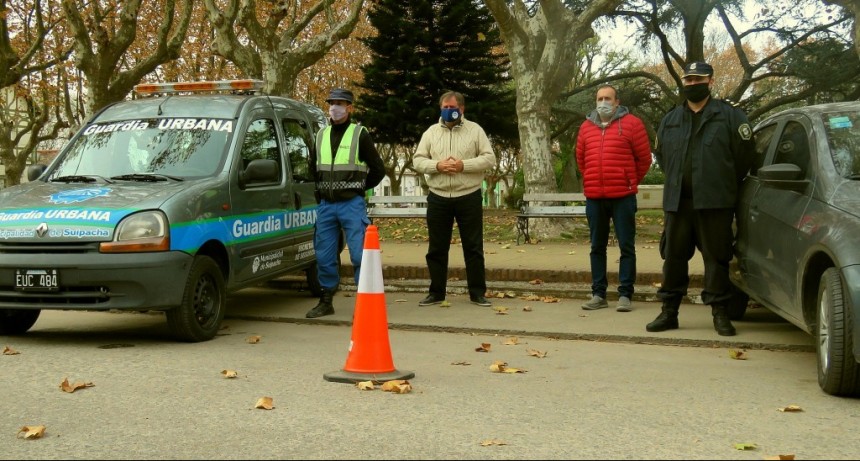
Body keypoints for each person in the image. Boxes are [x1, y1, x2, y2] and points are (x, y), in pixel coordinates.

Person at [646, 61, 755, 336]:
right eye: (689, 80)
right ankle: (669, 312)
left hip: (715, 202)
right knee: (673, 258)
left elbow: (743, 158)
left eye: (698, 79)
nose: (693, 84)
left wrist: (721, 183)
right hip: (678, 203)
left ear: (711, 81)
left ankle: (720, 314)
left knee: (717, 260)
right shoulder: (670, 120)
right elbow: (663, 157)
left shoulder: (731, 117)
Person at [305, 88, 385, 318]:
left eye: (340, 103)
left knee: (360, 255)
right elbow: (313, 169)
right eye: (332, 103)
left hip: (352, 204)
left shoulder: (360, 134)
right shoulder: (320, 135)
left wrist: (359, 187)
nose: (334, 108)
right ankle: (326, 300)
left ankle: (365, 304)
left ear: (349, 107)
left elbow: (378, 169)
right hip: (327, 206)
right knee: (324, 255)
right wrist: (320, 195)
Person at [412, 91, 497, 307]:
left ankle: (477, 292)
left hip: (468, 196)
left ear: (462, 109)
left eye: (452, 107)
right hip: (438, 197)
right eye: (445, 107)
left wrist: (463, 165)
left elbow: (489, 159)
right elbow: (418, 161)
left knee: (473, 247)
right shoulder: (430, 132)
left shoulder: (475, 130)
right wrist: (437, 165)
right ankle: (436, 292)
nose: (448, 111)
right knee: (437, 248)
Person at [575, 84, 652, 313]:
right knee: (596, 247)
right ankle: (598, 294)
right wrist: (591, 179)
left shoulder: (632, 124)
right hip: (595, 198)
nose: (603, 102)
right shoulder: (586, 127)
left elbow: (644, 159)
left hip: (623, 197)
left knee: (626, 247)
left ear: (617, 101)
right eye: (599, 98)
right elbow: (581, 159)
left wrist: (629, 181)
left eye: (608, 98)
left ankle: (625, 295)